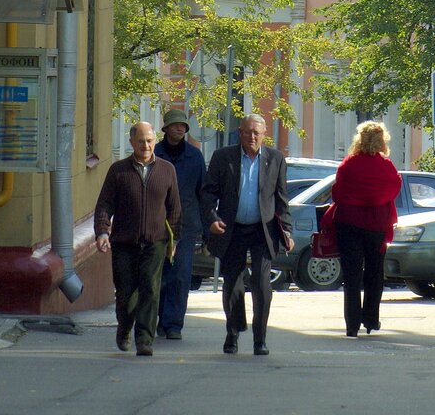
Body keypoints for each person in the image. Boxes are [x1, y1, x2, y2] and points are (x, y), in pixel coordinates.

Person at [200, 114, 294, 356]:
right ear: (239, 132)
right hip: (232, 228)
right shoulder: (223, 157)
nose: (252, 137)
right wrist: (212, 219)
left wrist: (288, 230)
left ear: (264, 135)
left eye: (256, 133)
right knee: (232, 284)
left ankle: (259, 339)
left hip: (262, 230)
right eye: (247, 132)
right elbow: (208, 193)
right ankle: (232, 332)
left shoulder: (275, 159)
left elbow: (281, 199)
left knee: (263, 285)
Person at [94, 120, 181, 357]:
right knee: (126, 294)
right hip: (124, 242)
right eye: (141, 141)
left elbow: (174, 209)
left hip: (155, 242)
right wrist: (102, 231)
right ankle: (124, 328)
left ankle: (144, 340)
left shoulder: (166, 170)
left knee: (151, 290)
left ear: (155, 141)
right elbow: (105, 204)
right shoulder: (118, 170)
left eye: (150, 141)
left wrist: (173, 242)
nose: (146, 145)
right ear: (132, 142)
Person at [331, 120, 402, 337]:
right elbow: (394, 189)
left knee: (351, 276)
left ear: (359, 140)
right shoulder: (387, 167)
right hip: (376, 225)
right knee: (374, 273)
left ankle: (352, 324)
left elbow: (337, 194)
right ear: (382, 141)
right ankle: (371, 319)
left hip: (349, 224)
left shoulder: (348, 164)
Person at [154, 108, 206, 341]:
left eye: (183, 126)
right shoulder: (154, 153)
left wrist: (206, 230)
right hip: (156, 223)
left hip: (185, 225)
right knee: (158, 275)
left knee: (181, 275)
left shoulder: (194, 156)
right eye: (175, 125)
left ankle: (174, 324)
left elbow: (203, 193)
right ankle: (159, 319)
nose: (180, 128)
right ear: (165, 129)